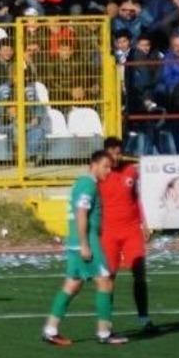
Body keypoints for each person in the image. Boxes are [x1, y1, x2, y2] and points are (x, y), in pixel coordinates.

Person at [42, 150, 128, 346]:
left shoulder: (82, 183)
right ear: (94, 165)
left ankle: (50, 329)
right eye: (106, 166)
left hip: (75, 240)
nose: (108, 171)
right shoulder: (88, 184)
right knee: (104, 282)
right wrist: (85, 244)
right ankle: (104, 332)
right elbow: (81, 214)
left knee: (73, 284)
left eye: (111, 167)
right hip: (85, 240)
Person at [99, 137, 155, 331]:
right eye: (112, 153)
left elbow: (136, 197)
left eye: (118, 152)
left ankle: (144, 318)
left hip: (131, 230)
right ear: (105, 153)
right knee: (109, 277)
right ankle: (106, 323)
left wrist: (144, 223)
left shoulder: (131, 170)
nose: (115, 157)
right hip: (109, 232)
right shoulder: (99, 175)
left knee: (139, 273)